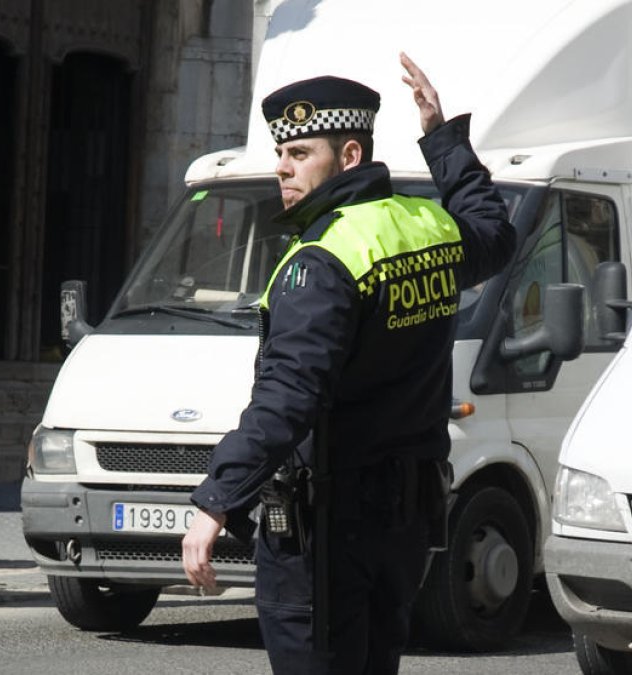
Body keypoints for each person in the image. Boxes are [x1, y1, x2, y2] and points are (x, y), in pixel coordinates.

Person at [181, 53, 515, 674]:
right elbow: (493, 233)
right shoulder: (427, 227)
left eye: (301, 152)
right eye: (282, 152)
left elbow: (289, 395)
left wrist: (216, 500)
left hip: (327, 529)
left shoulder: (324, 259)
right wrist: (441, 139)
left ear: (351, 157)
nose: (282, 166)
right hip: (403, 524)